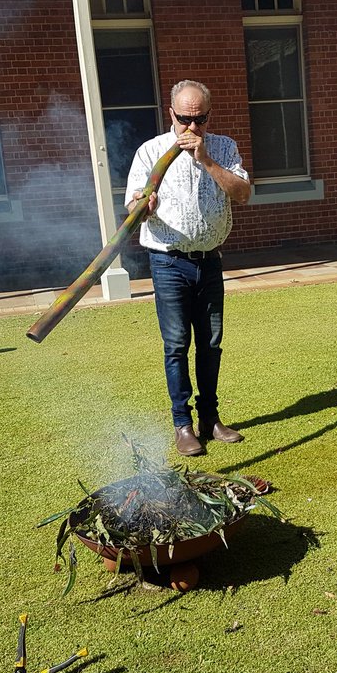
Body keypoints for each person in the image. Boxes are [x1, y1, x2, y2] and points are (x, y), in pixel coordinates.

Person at [126, 80, 252, 457]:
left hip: (209, 261)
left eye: (200, 120)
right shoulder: (150, 152)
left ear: (209, 116)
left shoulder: (224, 148)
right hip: (168, 261)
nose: (192, 128)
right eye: (184, 119)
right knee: (177, 345)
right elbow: (132, 213)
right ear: (171, 114)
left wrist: (206, 160)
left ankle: (209, 419)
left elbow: (244, 193)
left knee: (210, 345)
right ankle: (182, 424)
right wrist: (141, 206)